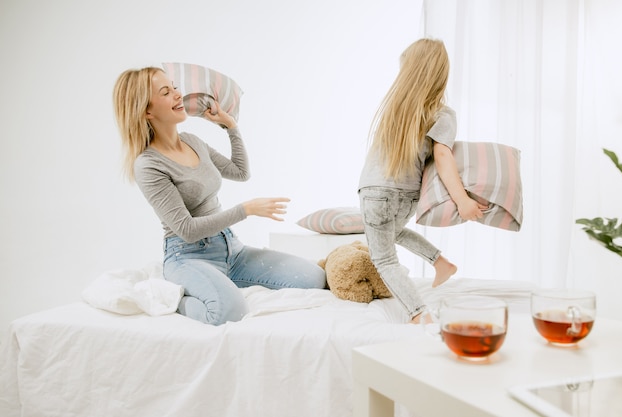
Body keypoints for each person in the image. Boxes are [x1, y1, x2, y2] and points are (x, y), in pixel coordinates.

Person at [112, 67, 327, 325]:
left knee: (315, 278)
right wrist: (245, 210)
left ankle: (222, 281)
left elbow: (240, 171)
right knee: (228, 312)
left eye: (174, 87)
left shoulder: (192, 141)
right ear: (146, 110)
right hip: (188, 257)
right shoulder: (148, 165)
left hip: (232, 250)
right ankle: (174, 300)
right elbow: (187, 229)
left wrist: (230, 127)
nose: (178, 95)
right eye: (166, 92)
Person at [358, 39, 487, 324]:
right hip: (406, 195)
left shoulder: (395, 108)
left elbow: (443, 157)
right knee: (392, 232)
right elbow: (441, 155)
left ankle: (419, 314)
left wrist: (462, 200)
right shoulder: (442, 114)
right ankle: (441, 263)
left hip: (375, 192)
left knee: (384, 258)